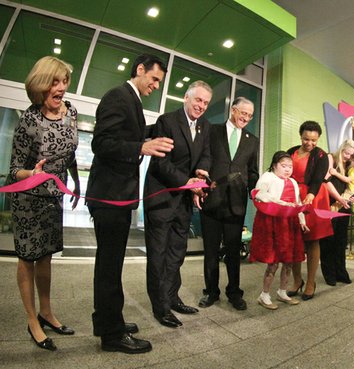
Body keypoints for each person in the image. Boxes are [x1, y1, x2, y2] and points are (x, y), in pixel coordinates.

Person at [86, 54, 172, 354]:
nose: (156, 86)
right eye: (155, 79)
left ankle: (110, 320)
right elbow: (102, 143)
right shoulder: (117, 96)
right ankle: (111, 335)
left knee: (111, 264)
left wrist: (153, 132)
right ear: (140, 69)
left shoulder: (131, 100)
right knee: (109, 267)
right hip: (109, 197)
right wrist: (142, 146)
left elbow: (127, 133)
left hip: (118, 196)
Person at [9, 56, 80, 351]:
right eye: (55, 81)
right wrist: (32, 174)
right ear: (40, 85)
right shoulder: (30, 120)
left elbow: (71, 152)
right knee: (28, 259)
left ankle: (47, 311)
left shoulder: (71, 112)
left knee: (47, 256)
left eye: (64, 82)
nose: (61, 88)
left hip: (54, 198)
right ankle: (32, 320)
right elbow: (14, 169)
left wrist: (76, 181)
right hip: (28, 200)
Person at [143, 81, 212, 328]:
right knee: (158, 256)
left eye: (205, 102)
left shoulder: (204, 126)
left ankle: (172, 297)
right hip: (161, 198)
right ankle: (160, 307)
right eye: (198, 100)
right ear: (186, 98)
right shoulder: (167, 121)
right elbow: (161, 163)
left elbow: (206, 154)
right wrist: (188, 181)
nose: (201, 106)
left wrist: (202, 175)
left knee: (176, 253)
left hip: (183, 201)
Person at [197, 97, 259, 310]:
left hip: (236, 203)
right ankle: (211, 291)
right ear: (233, 110)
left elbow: (252, 171)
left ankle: (234, 292)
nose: (246, 118)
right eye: (243, 113)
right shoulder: (212, 131)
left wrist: (255, 190)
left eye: (250, 115)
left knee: (233, 251)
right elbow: (203, 159)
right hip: (212, 200)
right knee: (211, 250)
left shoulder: (253, 140)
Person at [250, 151, 307, 309]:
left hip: (290, 223)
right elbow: (259, 194)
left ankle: (282, 292)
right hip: (272, 222)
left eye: (290, 166)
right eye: (284, 166)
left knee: (288, 261)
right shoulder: (268, 177)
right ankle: (265, 295)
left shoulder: (293, 182)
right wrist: (281, 202)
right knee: (273, 262)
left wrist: (302, 220)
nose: (288, 169)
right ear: (274, 165)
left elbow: (297, 202)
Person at [286, 121, 333, 300]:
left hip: (312, 198)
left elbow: (318, 178)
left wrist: (311, 195)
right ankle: (297, 281)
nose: (309, 143)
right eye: (306, 139)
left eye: (314, 140)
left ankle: (311, 282)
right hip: (292, 196)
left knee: (313, 240)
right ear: (301, 136)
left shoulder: (321, 155)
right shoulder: (291, 151)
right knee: (294, 240)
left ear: (318, 138)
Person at [321, 140, 354, 286]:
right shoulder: (331, 158)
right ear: (341, 149)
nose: (348, 156)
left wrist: (350, 197)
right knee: (328, 240)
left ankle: (341, 272)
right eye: (346, 153)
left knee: (341, 241)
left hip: (344, 204)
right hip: (331, 203)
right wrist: (339, 198)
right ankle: (330, 274)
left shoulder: (349, 165)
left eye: (350, 154)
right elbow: (326, 180)